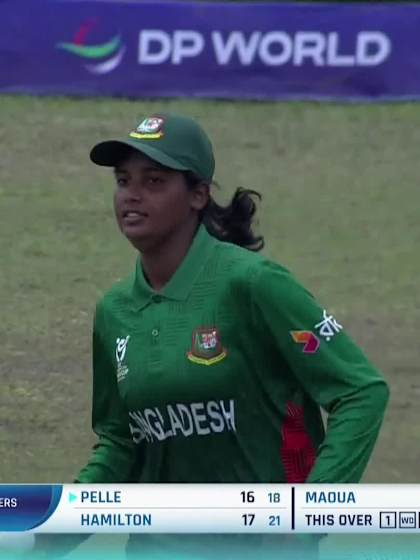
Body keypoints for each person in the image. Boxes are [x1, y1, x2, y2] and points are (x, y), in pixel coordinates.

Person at [37, 112, 389, 559]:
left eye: (155, 181)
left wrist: (310, 511)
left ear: (198, 195)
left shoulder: (254, 285)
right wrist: (49, 535)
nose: (132, 196)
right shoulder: (115, 313)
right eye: (124, 180)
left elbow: (361, 392)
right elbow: (122, 443)